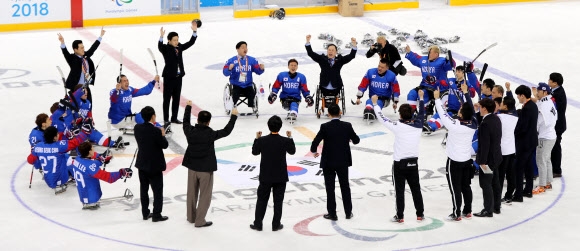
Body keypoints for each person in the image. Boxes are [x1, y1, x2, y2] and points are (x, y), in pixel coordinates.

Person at [182, 101, 238, 227]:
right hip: (205, 170)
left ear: (197, 119)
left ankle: (191, 217)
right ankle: (200, 220)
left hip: (192, 168)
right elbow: (226, 131)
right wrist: (233, 116)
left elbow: (185, 123)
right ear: (209, 122)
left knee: (191, 193)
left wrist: (188, 107)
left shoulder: (190, 131)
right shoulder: (210, 134)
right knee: (205, 196)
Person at [373, 90, 426, 223]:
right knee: (416, 189)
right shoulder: (418, 125)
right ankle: (420, 214)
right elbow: (422, 113)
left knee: (399, 191)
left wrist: (375, 104)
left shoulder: (397, 125)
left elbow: (382, 118)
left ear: (401, 115)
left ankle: (400, 216)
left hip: (399, 164)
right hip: (413, 162)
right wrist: (421, 98)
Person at [433, 85, 477, 221]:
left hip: (454, 161)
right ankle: (468, 210)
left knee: (455, 188)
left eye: (460, 109)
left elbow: (443, 114)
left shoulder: (455, 125)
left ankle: (457, 213)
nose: (458, 110)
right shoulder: (473, 123)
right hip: (466, 159)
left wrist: (437, 99)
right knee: (466, 186)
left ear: (462, 114)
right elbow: (470, 107)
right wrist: (466, 93)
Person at [310, 104, 360, 221]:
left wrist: (313, 151)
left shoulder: (325, 126)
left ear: (329, 114)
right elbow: (356, 140)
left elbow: (316, 141)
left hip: (328, 161)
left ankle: (332, 213)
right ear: (340, 112)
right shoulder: (347, 126)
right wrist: (349, 139)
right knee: (345, 186)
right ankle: (348, 212)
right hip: (343, 161)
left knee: (330, 188)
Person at [250, 116, 296, 231]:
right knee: (278, 201)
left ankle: (258, 224)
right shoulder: (285, 141)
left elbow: (255, 152)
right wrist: (290, 137)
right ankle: (276, 224)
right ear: (280, 127)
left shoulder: (262, 140)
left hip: (266, 176)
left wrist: (257, 138)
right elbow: (292, 151)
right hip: (280, 176)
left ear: (268, 126)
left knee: (261, 200)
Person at [67, 142, 132, 210]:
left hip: (83, 195)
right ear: (89, 152)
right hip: (91, 199)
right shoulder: (90, 166)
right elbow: (109, 178)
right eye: (92, 149)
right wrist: (121, 173)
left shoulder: (77, 159)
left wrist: (100, 160)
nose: (94, 150)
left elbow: (88, 165)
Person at [27, 124, 90, 192]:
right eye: (57, 134)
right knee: (66, 157)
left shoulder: (38, 146)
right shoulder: (59, 146)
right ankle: (74, 176)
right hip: (61, 179)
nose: (58, 135)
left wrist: (39, 165)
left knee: (59, 157)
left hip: (48, 180)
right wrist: (84, 132)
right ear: (54, 137)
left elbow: (30, 160)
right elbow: (75, 142)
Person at [134, 106, 169, 222]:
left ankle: (145, 213)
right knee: (157, 191)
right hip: (154, 165)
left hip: (142, 163)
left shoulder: (137, 128)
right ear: (153, 116)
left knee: (144, 189)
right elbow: (164, 145)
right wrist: (162, 134)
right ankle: (157, 215)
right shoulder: (156, 131)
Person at [158, 23, 198, 124]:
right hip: (169, 77)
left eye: (177, 39)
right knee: (166, 99)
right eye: (174, 40)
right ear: (169, 41)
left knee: (176, 98)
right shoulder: (166, 49)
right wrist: (161, 37)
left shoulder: (179, 47)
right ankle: (166, 119)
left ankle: (174, 118)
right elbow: (160, 46)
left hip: (179, 77)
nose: (176, 42)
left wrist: (194, 32)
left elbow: (190, 43)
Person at [305, 34, 357, 110]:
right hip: (324, 86)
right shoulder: (322, 59)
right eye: (329, 50)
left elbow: (351, 56)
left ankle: (335, 108)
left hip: (336, 86)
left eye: (333, 50)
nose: (330, 51)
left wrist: (354, 45)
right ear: (327, 51)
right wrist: (308, 42)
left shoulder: (340, 60)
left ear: (336, 52)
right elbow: (311, 53)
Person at [424, 65, 478, 133]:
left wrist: (465, 89)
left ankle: (433, 127)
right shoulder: (451, 81)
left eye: (459, 71)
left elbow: (473, 94)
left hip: (460, 111)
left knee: (445, 116)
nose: (457, 73)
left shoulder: (467, 83)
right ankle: (429, 123)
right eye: (456, 71)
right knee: (439, 113)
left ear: (463, 73)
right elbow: (441, 83)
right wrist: (433, 80)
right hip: (450, 107)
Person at [58, 27, 105, 103]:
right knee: (77, 108)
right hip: (76, 89)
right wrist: (62, 43)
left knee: (88, 107)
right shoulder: (72, 59)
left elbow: (93, 48)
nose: (83, 49)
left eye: (83, 47)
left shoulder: (86, 55)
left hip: (86, 88)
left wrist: (100, 36)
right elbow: (65, 52)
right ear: (75, 50)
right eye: (81, 48)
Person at [404, 44, 454, 115]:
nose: (428, 54)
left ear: (436, 54)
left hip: (437, 88)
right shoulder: (423, 60)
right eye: (428, 52)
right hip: (424, 85)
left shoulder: (442, 61)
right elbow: (416, 58)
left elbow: (451, 66)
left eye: (430, 52)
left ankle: (424, 114)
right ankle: (410, 114)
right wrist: (409, 52)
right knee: (411, 94)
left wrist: (450, 60)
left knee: (422, 95)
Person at [71, 84, 124, 149]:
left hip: (83, 127)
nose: (86, 92)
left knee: (93, 132)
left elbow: (88, 114)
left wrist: (90, 120)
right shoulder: (74, 102)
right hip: (73, 129)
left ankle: (112, 143)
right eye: (83, 91)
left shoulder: (88, 103)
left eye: (86, 90)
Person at [474, 98, 502, 217]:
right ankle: (496, 206)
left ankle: (488, 209)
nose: (479, 109)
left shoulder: (485, 124)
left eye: (480, 107)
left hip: (488, 160)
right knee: (495, 182)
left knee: (486, 184)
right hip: (496, 157)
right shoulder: (495, 118)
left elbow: (485, 145)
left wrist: (482, 161)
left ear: (484, 108)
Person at [223, 41, 265, 114]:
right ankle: (234, 106)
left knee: (252, 93)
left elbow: (258, 71)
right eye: (242, 47)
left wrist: (261, 69)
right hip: (236, 84)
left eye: (246, 47)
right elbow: (225, 73)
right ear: (237, 49)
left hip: (248, 84)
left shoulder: (252, 60)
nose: (245, 49)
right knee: (235, 94)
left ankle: (253, 106)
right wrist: (229, 69)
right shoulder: (231, 60)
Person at [513, 85, 538, 202]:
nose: (518, 98)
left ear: (523, 95)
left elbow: (523, 128)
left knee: (518, 168)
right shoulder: (533, 106)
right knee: (528, 167)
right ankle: (528, 189)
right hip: (532, 141)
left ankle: (518, 194)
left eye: (518, 95)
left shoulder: (527, 108)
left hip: (524, 143)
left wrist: (515, 132)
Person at [532, 83, 557, 194]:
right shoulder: (548, 101)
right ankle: (548, 182)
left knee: (541, 160)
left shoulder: (544, 106)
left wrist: (532, 131)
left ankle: (542, 185)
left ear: (545, 92)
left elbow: (539, 121)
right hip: (551, 135)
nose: (537, 93)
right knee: (546, 159)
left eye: (538, 91)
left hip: (544, 136)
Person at [496, 96, 518, 204]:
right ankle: (509, 195)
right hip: (511, 149)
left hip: (503, 150)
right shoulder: (515, 116)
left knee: (500, 175)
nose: (500, 105)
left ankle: (497, 198)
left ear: (505, 106)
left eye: (501, 103)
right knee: (510, 174)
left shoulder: (499, 117)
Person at [548, 73, 566, 178]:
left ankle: (557, 170)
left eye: (550, 80)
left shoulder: (558, 94)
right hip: (556, 124)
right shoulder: (556, 91)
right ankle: (554, 168)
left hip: (557, 125)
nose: (548, 81)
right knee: (554, 146)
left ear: (555, 83)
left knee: (555, 147)